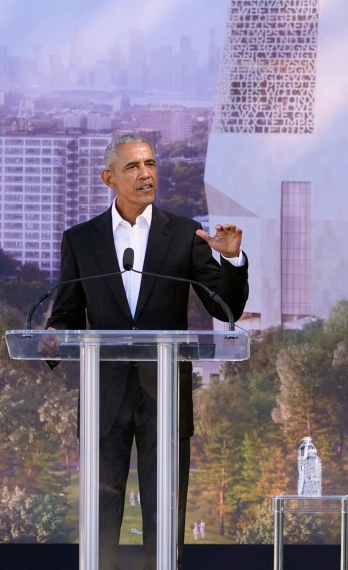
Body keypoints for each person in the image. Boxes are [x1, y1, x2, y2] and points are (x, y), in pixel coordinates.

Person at [45, 133, 249, 570]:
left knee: (164, 522)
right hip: (105, 397)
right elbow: (66, 314)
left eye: (151, 164)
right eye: (134, 167)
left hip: (165, 398)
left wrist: (230, 261)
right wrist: (51, 338)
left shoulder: (184, 233)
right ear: (109, 178)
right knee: (101, 525)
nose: (146, 174)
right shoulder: (82, 240)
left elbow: (223, 307)